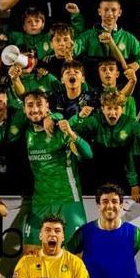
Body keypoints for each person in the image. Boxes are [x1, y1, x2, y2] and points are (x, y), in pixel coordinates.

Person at [20, 90, 93, 254]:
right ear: (24, 109)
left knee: (74, 258)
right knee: (29, 254)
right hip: (40, 202)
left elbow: (88, 154)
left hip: (67, 200)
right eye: (30, 105)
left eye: (39, 105)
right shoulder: (27, 133)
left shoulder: (61, 130)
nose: (35, 110)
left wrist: (70, 132)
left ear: (48, 107)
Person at [71, 91, 140, 199]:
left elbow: (131, 156)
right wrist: (80, 117)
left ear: (122, 109)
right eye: (109, 108)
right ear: (102, 109)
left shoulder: (130, 123)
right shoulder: (95, 120)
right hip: (97, 171)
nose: (112, 113)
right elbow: (72, 130)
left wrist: (134, 184)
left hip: (121, 173)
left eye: (116, 108)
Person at [75, 0, 140, 74]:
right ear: (99, 12)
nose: (110, 13)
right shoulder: (88, 35)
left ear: (119, 13)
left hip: (120, 81)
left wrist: (139, 63)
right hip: (94, 81)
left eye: (113, 10)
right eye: (106, 10)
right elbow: (74, 48)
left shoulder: (128, 37)